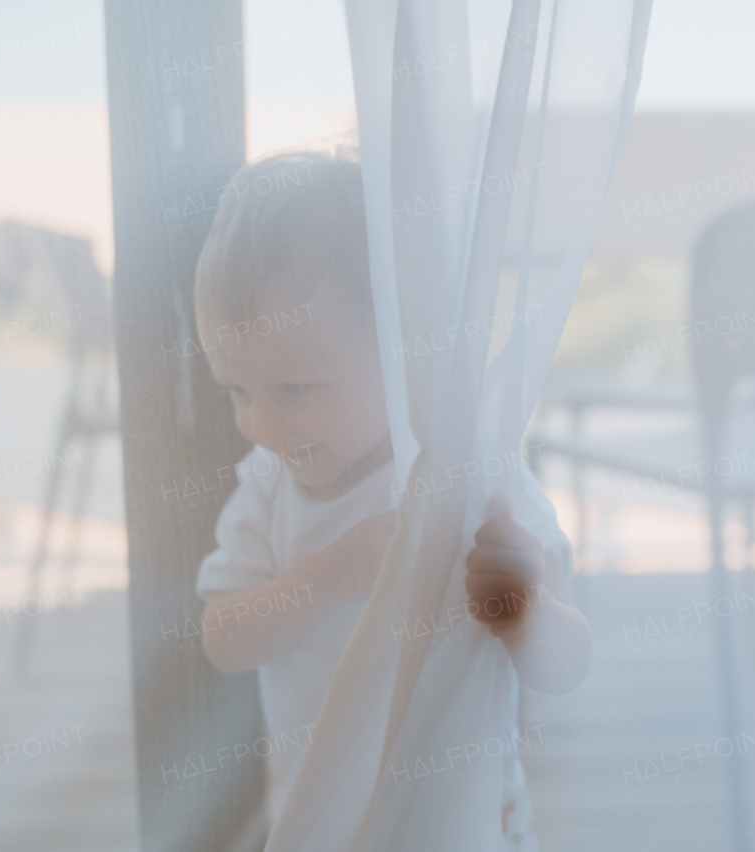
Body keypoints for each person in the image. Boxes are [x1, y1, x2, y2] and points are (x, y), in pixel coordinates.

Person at [192, 149, 592, 849]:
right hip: (331, 821)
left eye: (295, 390)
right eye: (237, 391)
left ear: (405, 351)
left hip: (466, 817)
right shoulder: (266, 486)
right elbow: (222, 640)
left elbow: (568, 664)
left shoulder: (472, 477)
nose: (260, 424)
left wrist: (523, 608)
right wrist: (325, 578)